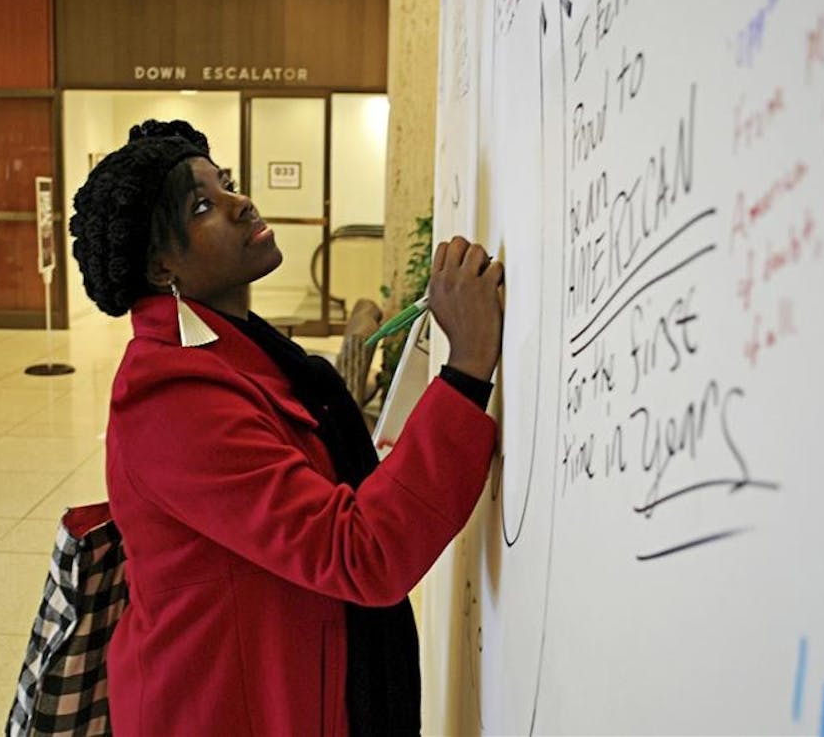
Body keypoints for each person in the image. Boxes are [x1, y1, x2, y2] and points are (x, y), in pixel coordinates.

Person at [68, 119, 505, 736]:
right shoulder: (169, 396)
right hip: (226, 710)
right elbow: (359, 551)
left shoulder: (247, 349)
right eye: (203, 206)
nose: (240, 202)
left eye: (226, 185)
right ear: (163, 267)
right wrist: (464, 373)